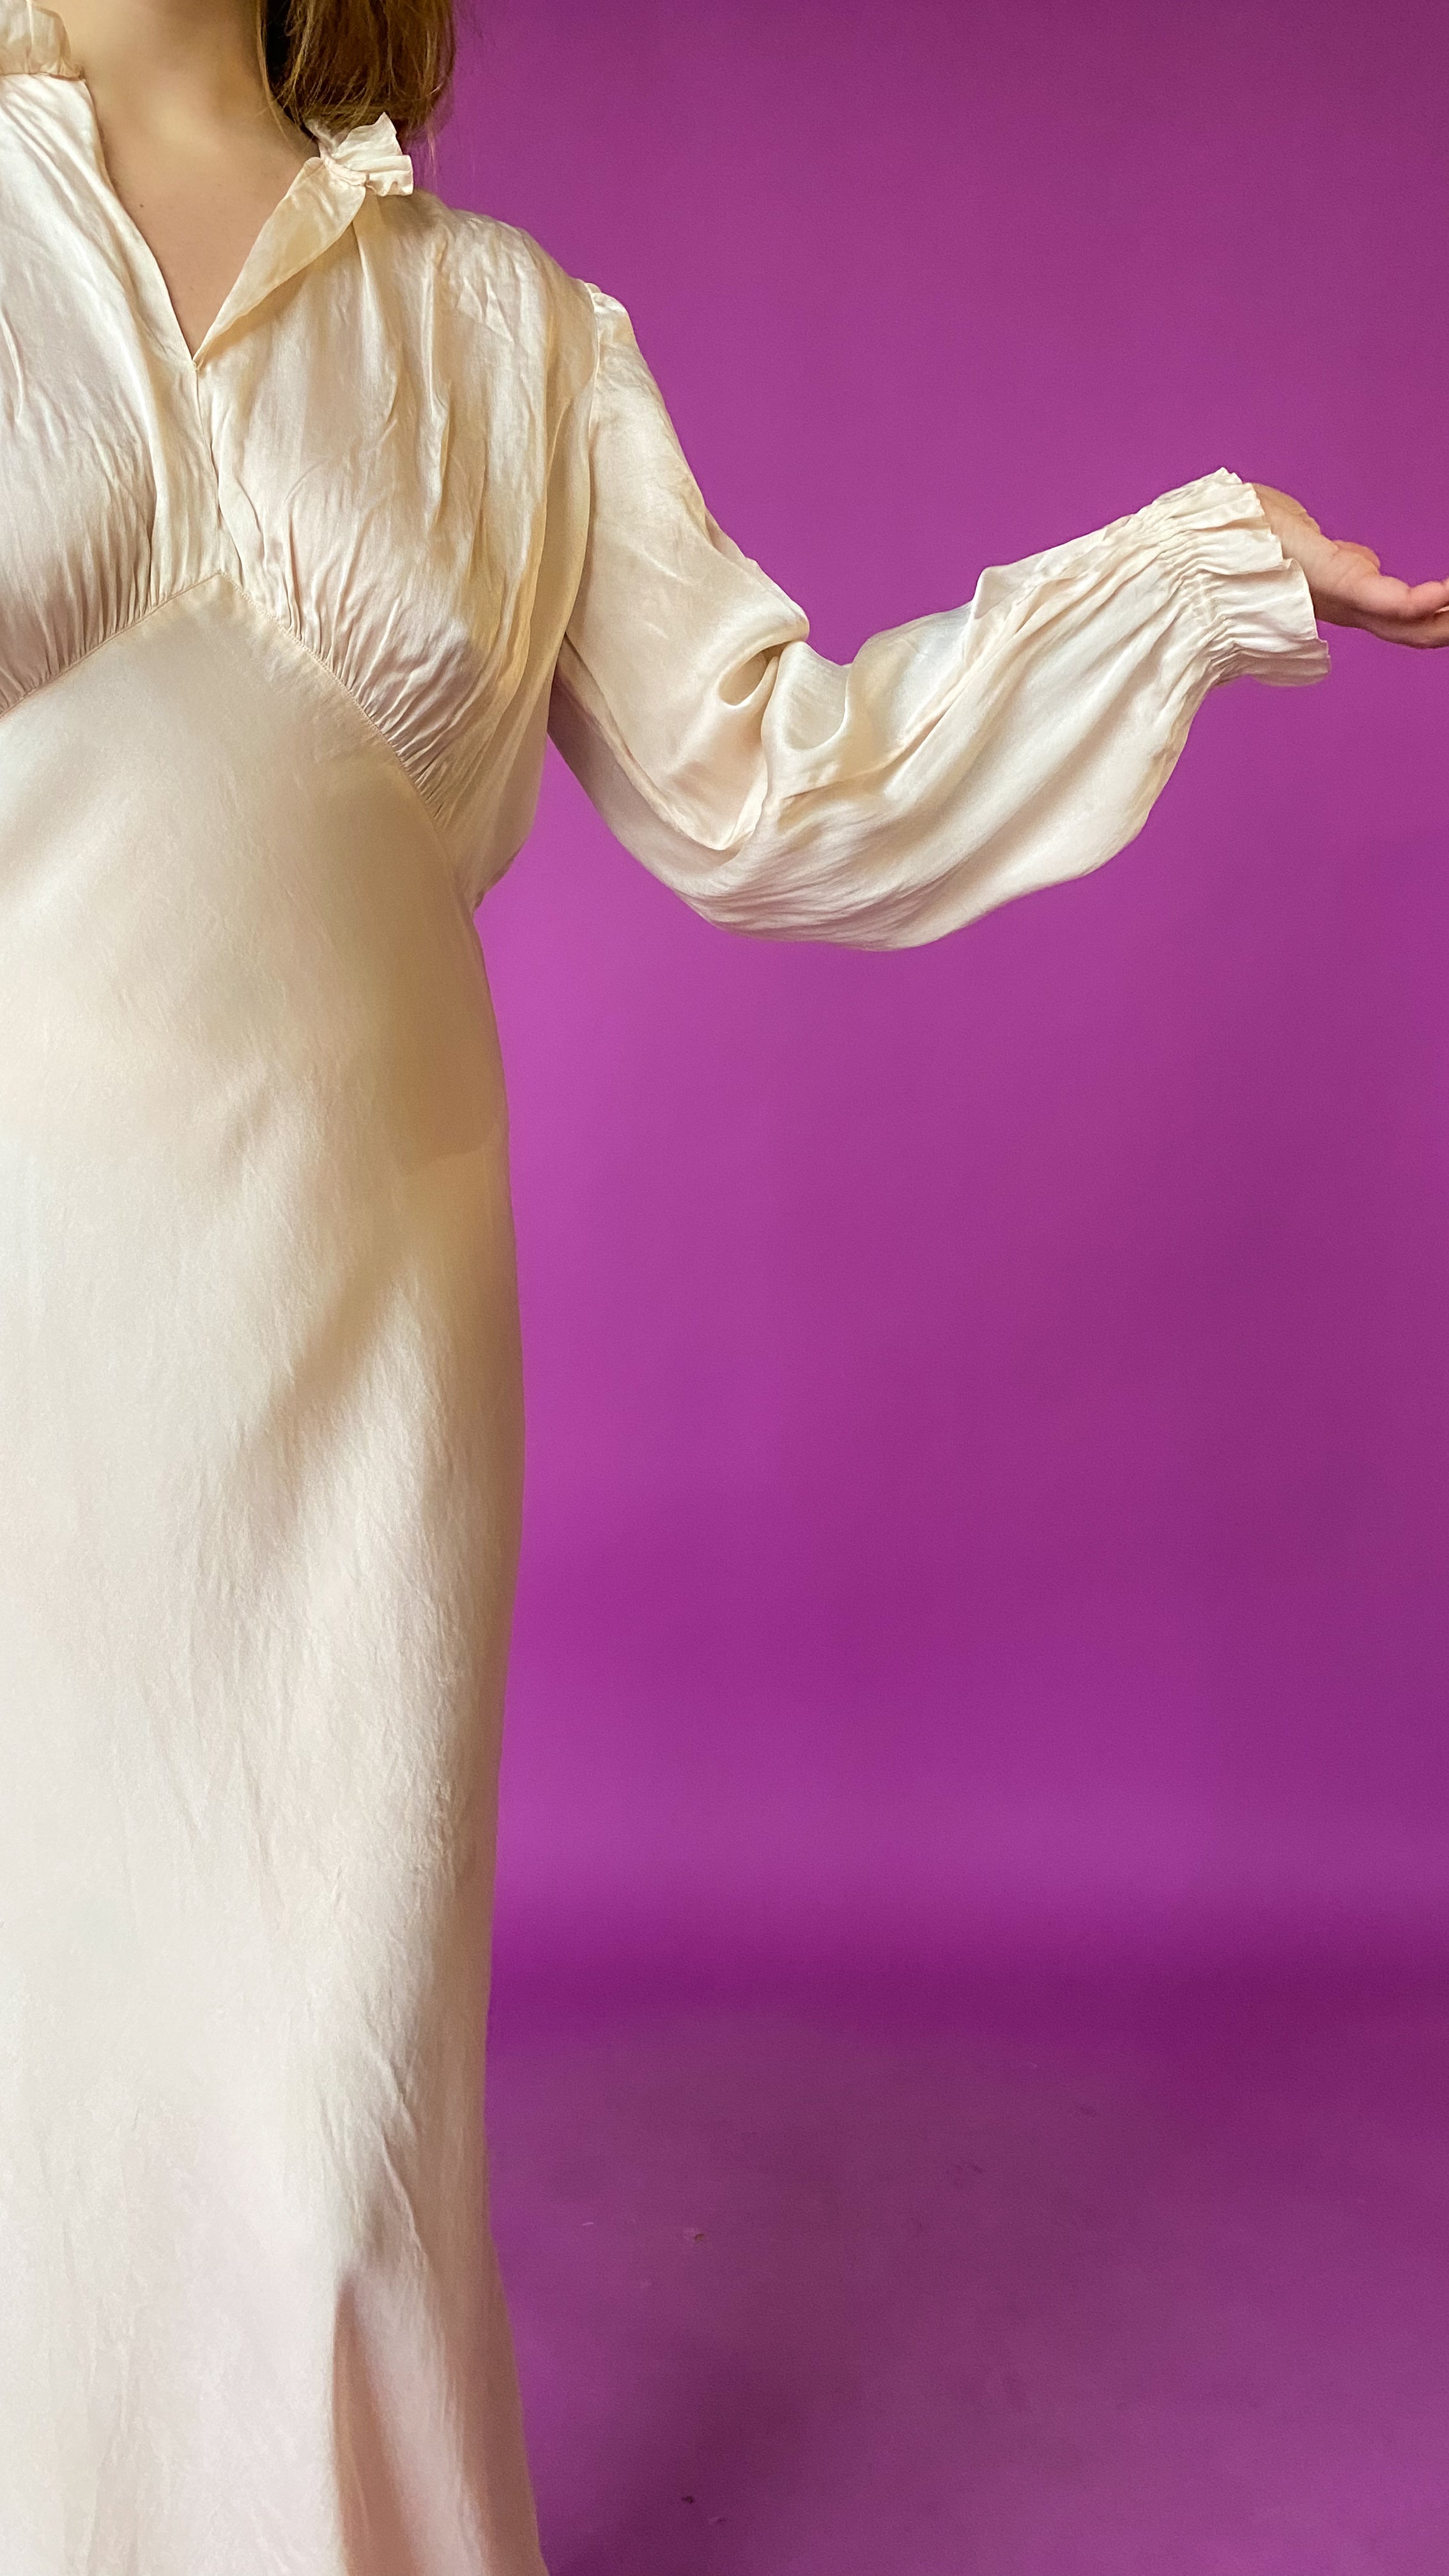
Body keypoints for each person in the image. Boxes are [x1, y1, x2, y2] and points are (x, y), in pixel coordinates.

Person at [1, 0, 1444, 2566]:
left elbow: (784, 787)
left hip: (352, 1307)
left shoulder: (501, 330)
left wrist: (1187, 584)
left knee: (330, 2103)